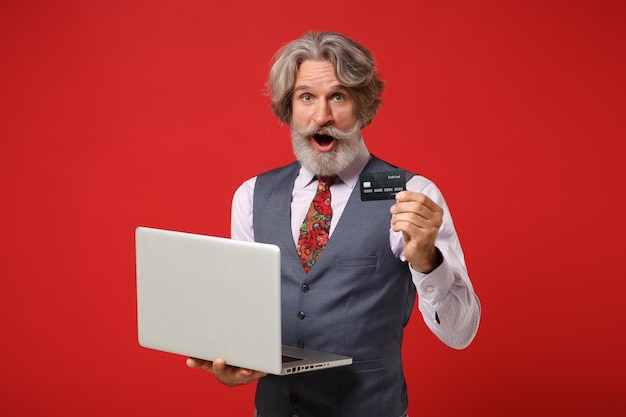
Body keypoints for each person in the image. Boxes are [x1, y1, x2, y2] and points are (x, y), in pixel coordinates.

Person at [187, 31, 480, 417]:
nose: (321, 116)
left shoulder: (413, 196)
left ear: (362, 105)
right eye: (306, 97)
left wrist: (428, 261)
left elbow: (460, 334)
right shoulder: (251, 196)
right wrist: (232, 365)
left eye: (338, 97)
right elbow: (245, 322)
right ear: (288, 108)